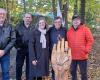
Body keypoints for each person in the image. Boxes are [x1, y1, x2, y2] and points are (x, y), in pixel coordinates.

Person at [67, 15, 94, 80]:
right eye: (74, 20)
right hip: (72, 56)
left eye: (77, 20)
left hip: (82, 55)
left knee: (83, 73)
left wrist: (86, 50)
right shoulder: (69, 31)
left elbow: (90, 40)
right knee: (72, 72)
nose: (76, 21)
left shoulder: (85, 29)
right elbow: (67, 42)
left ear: (80, 21)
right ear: (72, 21)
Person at [15, 13, 34, 80]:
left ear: (31, 19)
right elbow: (14, 38)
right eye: (26, 17)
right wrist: (17, 47)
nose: (28, 19)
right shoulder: (18, 27)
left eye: (29, 17)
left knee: (29, 67)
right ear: (23, 18)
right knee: (19, 66)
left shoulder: (34, 27)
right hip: (21, 50)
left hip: (30, 50)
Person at [0, 8, 16, 80]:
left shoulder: (10, 26)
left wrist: (4, 51)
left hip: (5, 53)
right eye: (0, 14)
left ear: (6, 16)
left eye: (4, 14)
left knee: (6, 72)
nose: (2, 15)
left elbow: (13, 40)